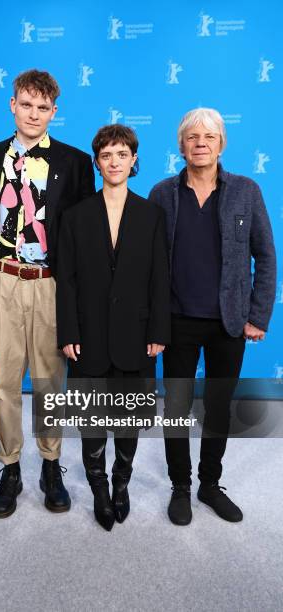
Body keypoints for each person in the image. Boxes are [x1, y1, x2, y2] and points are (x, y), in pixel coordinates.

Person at [149, 108, 276, 525]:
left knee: (218, 409)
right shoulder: (162, 194)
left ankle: (209, 483)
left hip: (230, 323)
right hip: (177, 321)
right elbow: (147, 263)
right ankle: (181, 487)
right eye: (192, 137)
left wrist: (257, 315)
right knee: (178, 409)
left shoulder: (246, 191)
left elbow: (266, 256)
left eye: (209, 136)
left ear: (221, 144)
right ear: (181, 146)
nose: (200, 143)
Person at [0, 69, 95, 518]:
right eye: (25, 105)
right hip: (2, 279)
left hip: (49, 283)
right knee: (6, 383)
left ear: (54, 111)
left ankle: (51, 465)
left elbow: (84, 234)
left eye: (42, 107)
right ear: (12, 105)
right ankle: (10, 468)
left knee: (51, 381)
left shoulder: (75, 162)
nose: (33, 113)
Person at [57, 125, 171, 530]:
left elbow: (161, 277)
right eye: (106, 155)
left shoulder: (152, 214)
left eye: (122, 154)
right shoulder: (75, 216)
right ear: (97, 162)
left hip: (137, 335)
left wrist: (159, 330)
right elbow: (65, 280)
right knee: (93, 420)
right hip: (87, 336)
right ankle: (99, 489)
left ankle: (121, 483)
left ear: (133, 159)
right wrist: (68, 332)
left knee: (127, 420)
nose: (114, 161)